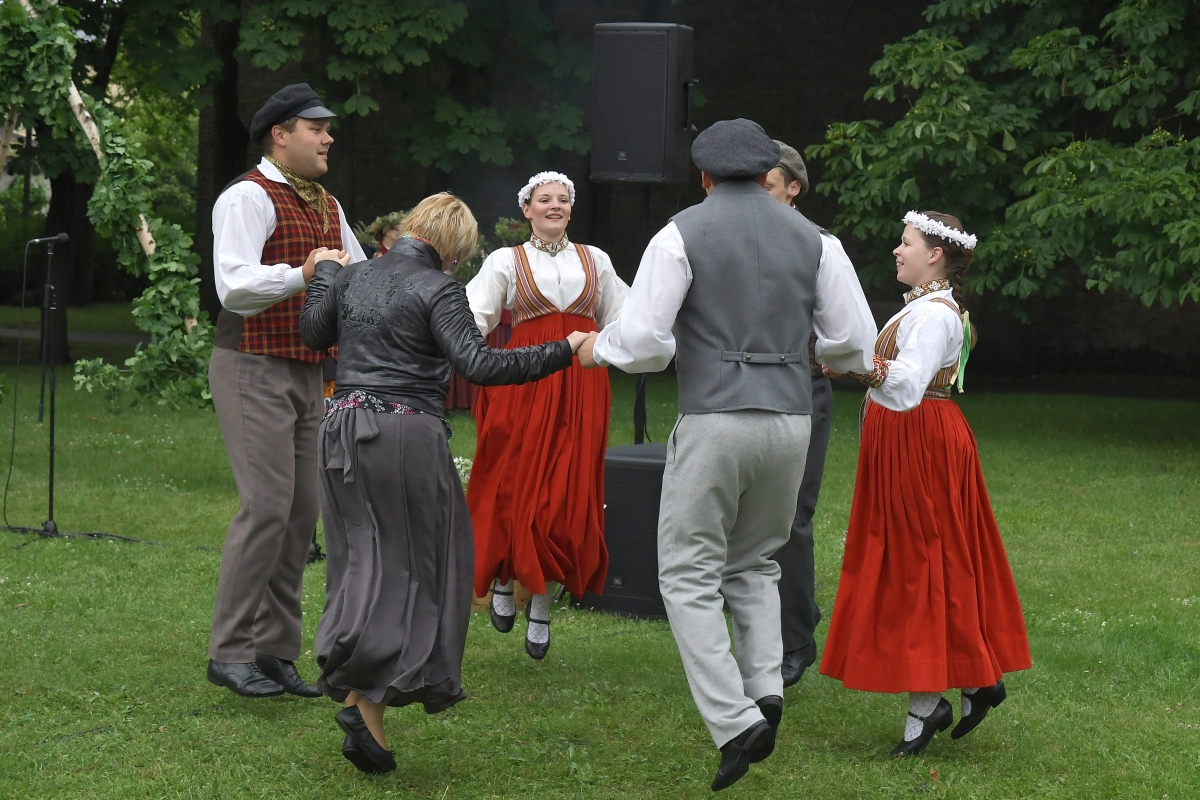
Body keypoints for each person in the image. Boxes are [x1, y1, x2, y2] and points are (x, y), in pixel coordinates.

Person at [578, 119, 877, 791]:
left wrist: (599, 348)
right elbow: (853, 342)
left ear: (706, 177)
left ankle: (735, 719)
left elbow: (647, 344)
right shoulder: (817, 240)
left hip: (715, 418)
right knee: (756, 561)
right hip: (792, 419)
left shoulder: (680, 233)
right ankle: (765, 690)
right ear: (767, 173)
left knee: (687, 574)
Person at [299, 193, 593, 774]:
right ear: (454, 249)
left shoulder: (353, 276)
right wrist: (564, 350)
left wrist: (326, 275)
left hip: (341, 430)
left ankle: (364, 711)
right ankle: (366, 700)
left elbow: (313, 334)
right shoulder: (439, 288)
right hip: (403, 437)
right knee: (418, 568)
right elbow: (480, 365)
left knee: (362, 561)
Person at [818, 211, 1031, 756]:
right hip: (907, 441)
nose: (897, 250)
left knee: (921, 564)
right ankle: (971, 682)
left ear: (935, 255)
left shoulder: (934, 315)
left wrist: (854, 364)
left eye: (906, 242)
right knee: (921, 563)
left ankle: (936, 698)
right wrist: (847, 364)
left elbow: (909, 383)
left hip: (921, 443)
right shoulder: (922, 307)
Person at [206, 83, 366, 699]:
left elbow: (357, 272)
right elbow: (234, 285)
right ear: (280, 134)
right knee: (268, 505)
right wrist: (302, 273)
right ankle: (230, 651)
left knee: (302, 511)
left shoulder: (326, 202)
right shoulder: (247, 196)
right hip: (251, 364)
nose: (328, 138)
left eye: (327, 129)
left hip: (305, 369)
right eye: (316, 128)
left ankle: (274, 650)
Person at [465, 171, 629, 660]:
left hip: (581, 383)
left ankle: (540, 602)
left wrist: (612, 344)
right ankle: (503, 574)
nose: (554, 205)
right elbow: (472, 317)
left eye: (563, 199)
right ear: (527, 210)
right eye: (544, 199)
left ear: (571, 209)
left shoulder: (595, 259)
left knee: (565, 490)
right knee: (511, 480)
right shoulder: (505, 261)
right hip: (523, 378)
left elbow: (626, 316)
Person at [762, 140, 846, 688]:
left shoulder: (821, 245)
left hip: (801, 388)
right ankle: (775, 621)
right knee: (747, 515)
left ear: (793, 189)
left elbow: (846, 330)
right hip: (741, 390)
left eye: (766, 186)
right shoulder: (732, 237)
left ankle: (795, 640)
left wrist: (832, 356)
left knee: (790, 517)